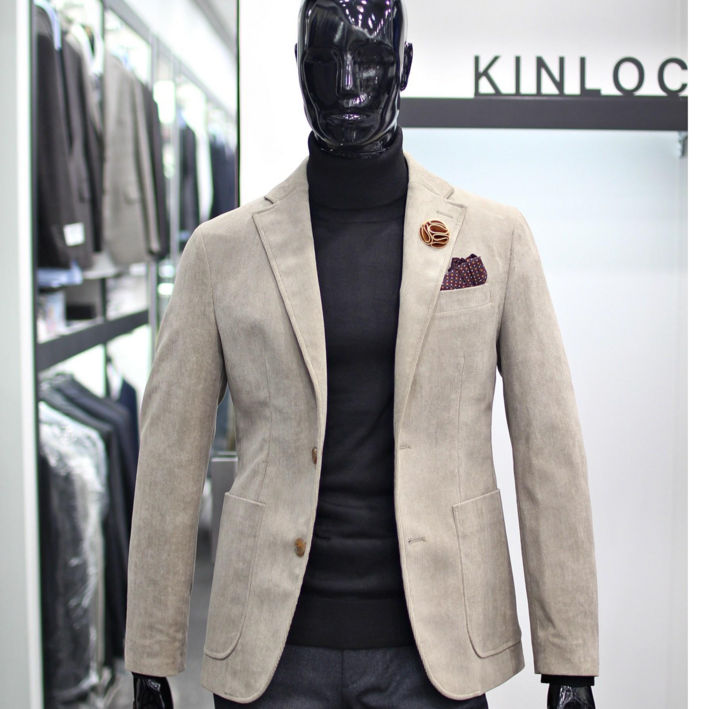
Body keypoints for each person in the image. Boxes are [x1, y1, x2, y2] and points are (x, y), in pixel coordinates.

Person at [127, 2, 599, 707]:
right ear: (297, 70)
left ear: (403, 67)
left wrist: (570, 657)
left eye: (371, 62)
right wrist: (149, 651)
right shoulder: (221, 251)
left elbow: (548, 448)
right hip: (273, 649)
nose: (347, 84)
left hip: (438, 649)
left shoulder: (494, 238)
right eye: (325, 63)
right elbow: (170, 457)